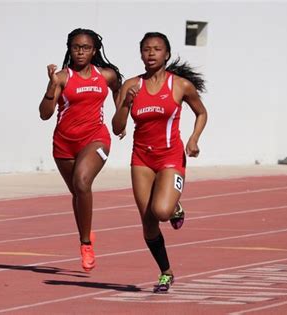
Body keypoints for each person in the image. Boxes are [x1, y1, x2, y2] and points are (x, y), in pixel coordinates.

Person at [112, 32, 207, 292]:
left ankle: (175, 206)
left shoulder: (180, 86)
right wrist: (125, 104)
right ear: (140, 54)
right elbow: (117, 126)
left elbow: (201, 112)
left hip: (170, 157)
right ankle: (166, 271)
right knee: (148, 221)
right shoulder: (131, 85)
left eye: (156, 49)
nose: (151, 53)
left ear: (166, 54)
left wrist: (194, 139)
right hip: (141, 158)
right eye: (146, 49)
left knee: (162, 211)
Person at [39, 28, 122, 272]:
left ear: (94, 50)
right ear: (69, 49)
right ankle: (86, 233)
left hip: (96, 138)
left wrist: (121, 118)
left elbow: (118, 91)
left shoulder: (106, 76)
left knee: (82, 182)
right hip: (64, 144)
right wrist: (51, 86)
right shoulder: (62, 78)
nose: (80, 51)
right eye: (76, 47)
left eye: (85, 47)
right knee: (78, 193)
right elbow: (44, 115)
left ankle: (85, 244)